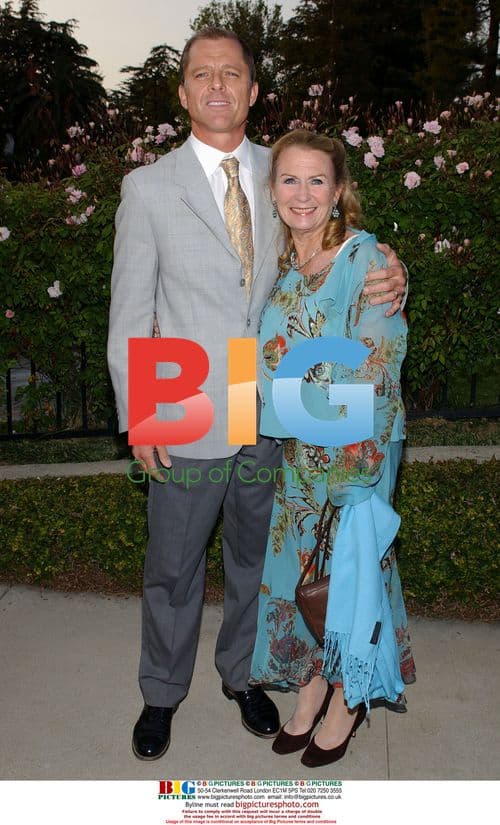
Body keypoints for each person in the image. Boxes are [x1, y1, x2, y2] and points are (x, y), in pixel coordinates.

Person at [107, 27, 408, 761]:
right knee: (173, 566)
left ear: (253, 90)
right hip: (185, 399)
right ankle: (161, 693)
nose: (217, 85)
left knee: (259, 559)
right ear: (183, 93)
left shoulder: (287, 171)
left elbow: (338, 246)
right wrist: (140, 416)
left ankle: (243, 676)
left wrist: (390, 269)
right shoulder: (148, 189)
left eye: (232, 73)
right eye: (201, 74)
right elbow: (129, 313)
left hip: (276, 410)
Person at [250, 129, 416, 768]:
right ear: (272, 190)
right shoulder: (283, 265)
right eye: (289, 179)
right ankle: (314, 683)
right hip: (300, 448)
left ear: (339, 189)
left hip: (354, 449)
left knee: (352, 571)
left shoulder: (364, 259)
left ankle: (348, 697)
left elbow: (378, 358)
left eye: (316, 180)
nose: (302, 194)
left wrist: (354, 469)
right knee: (306, 569)